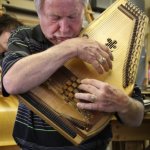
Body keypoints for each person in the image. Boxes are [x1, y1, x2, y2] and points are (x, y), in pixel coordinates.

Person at [1, 0, 144, 150]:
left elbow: (137, 118)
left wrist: (123, 103)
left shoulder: (102, 44)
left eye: (72, 17)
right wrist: (71, 47)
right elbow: (11, 82)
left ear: (83, 12)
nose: (64, 29)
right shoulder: (24, 37)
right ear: (40, 14)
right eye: (55, 18)